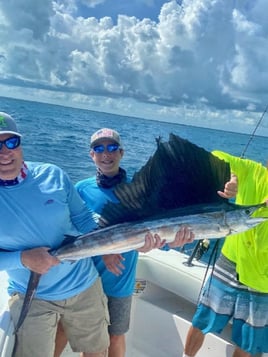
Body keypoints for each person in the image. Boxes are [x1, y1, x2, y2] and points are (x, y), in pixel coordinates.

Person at [54, 128, 195, 357]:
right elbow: (69, 231)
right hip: (82, 278)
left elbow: (161, 234)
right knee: (65, 327)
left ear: (121, 152)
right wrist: (103, 253)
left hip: (119, 280)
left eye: (111, 148)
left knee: (115, 335)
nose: (105, 153)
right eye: (99, 148)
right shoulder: (80, 189)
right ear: (91, 155)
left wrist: (175, 242)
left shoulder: (140, 189)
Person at [0, 112, 112, 357]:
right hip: (31, 297)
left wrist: (120, 242)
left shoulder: (53, 174)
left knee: (97, 352)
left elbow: (84, 220)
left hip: (84, 285)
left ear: (20, 145)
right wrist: (23, 258)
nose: (4, 152)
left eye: (11, 142)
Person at [183, 151, 268, 357]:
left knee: (247, 341)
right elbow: (215, 156)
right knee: (201, 319)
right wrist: (229, 177)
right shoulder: (253, 171)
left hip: (262, 278)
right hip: (230, 263)